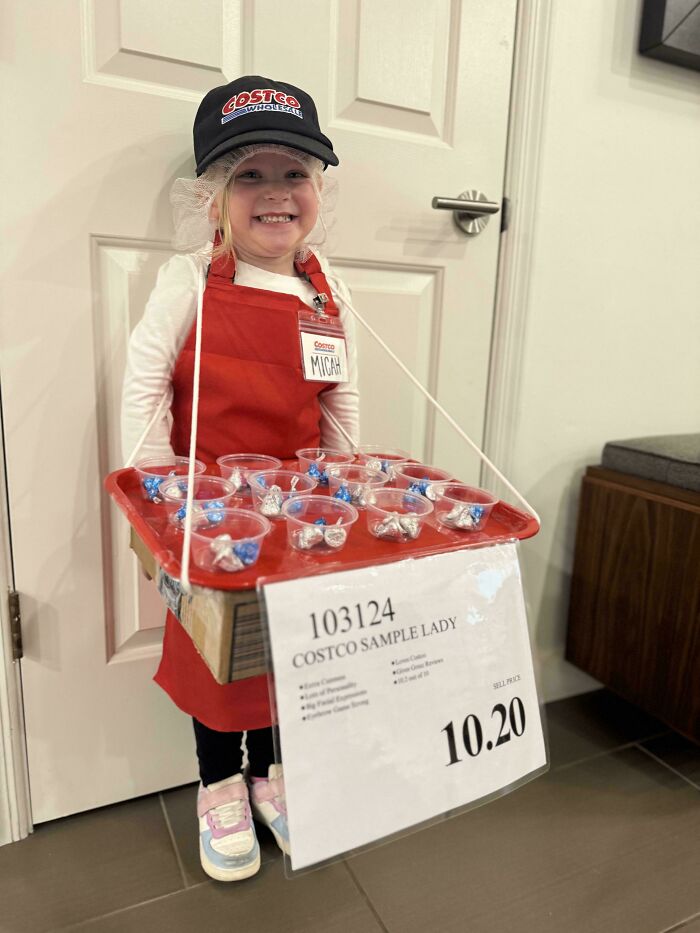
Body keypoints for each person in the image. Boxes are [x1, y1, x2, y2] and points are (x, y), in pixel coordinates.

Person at [121, 75, 359, 882]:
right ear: (213, 197)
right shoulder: (190, 280)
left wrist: (344, 488)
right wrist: (153, 496)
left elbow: (341, 395)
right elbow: (145, 382)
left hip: (298, 517)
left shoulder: (327, 287)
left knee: (294, 653)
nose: (274, 194)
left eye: (293, 173)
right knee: (216, 661)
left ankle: (276, 775)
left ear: (318, 187)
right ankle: (220, 783)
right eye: (248, 175)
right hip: (209, 517)